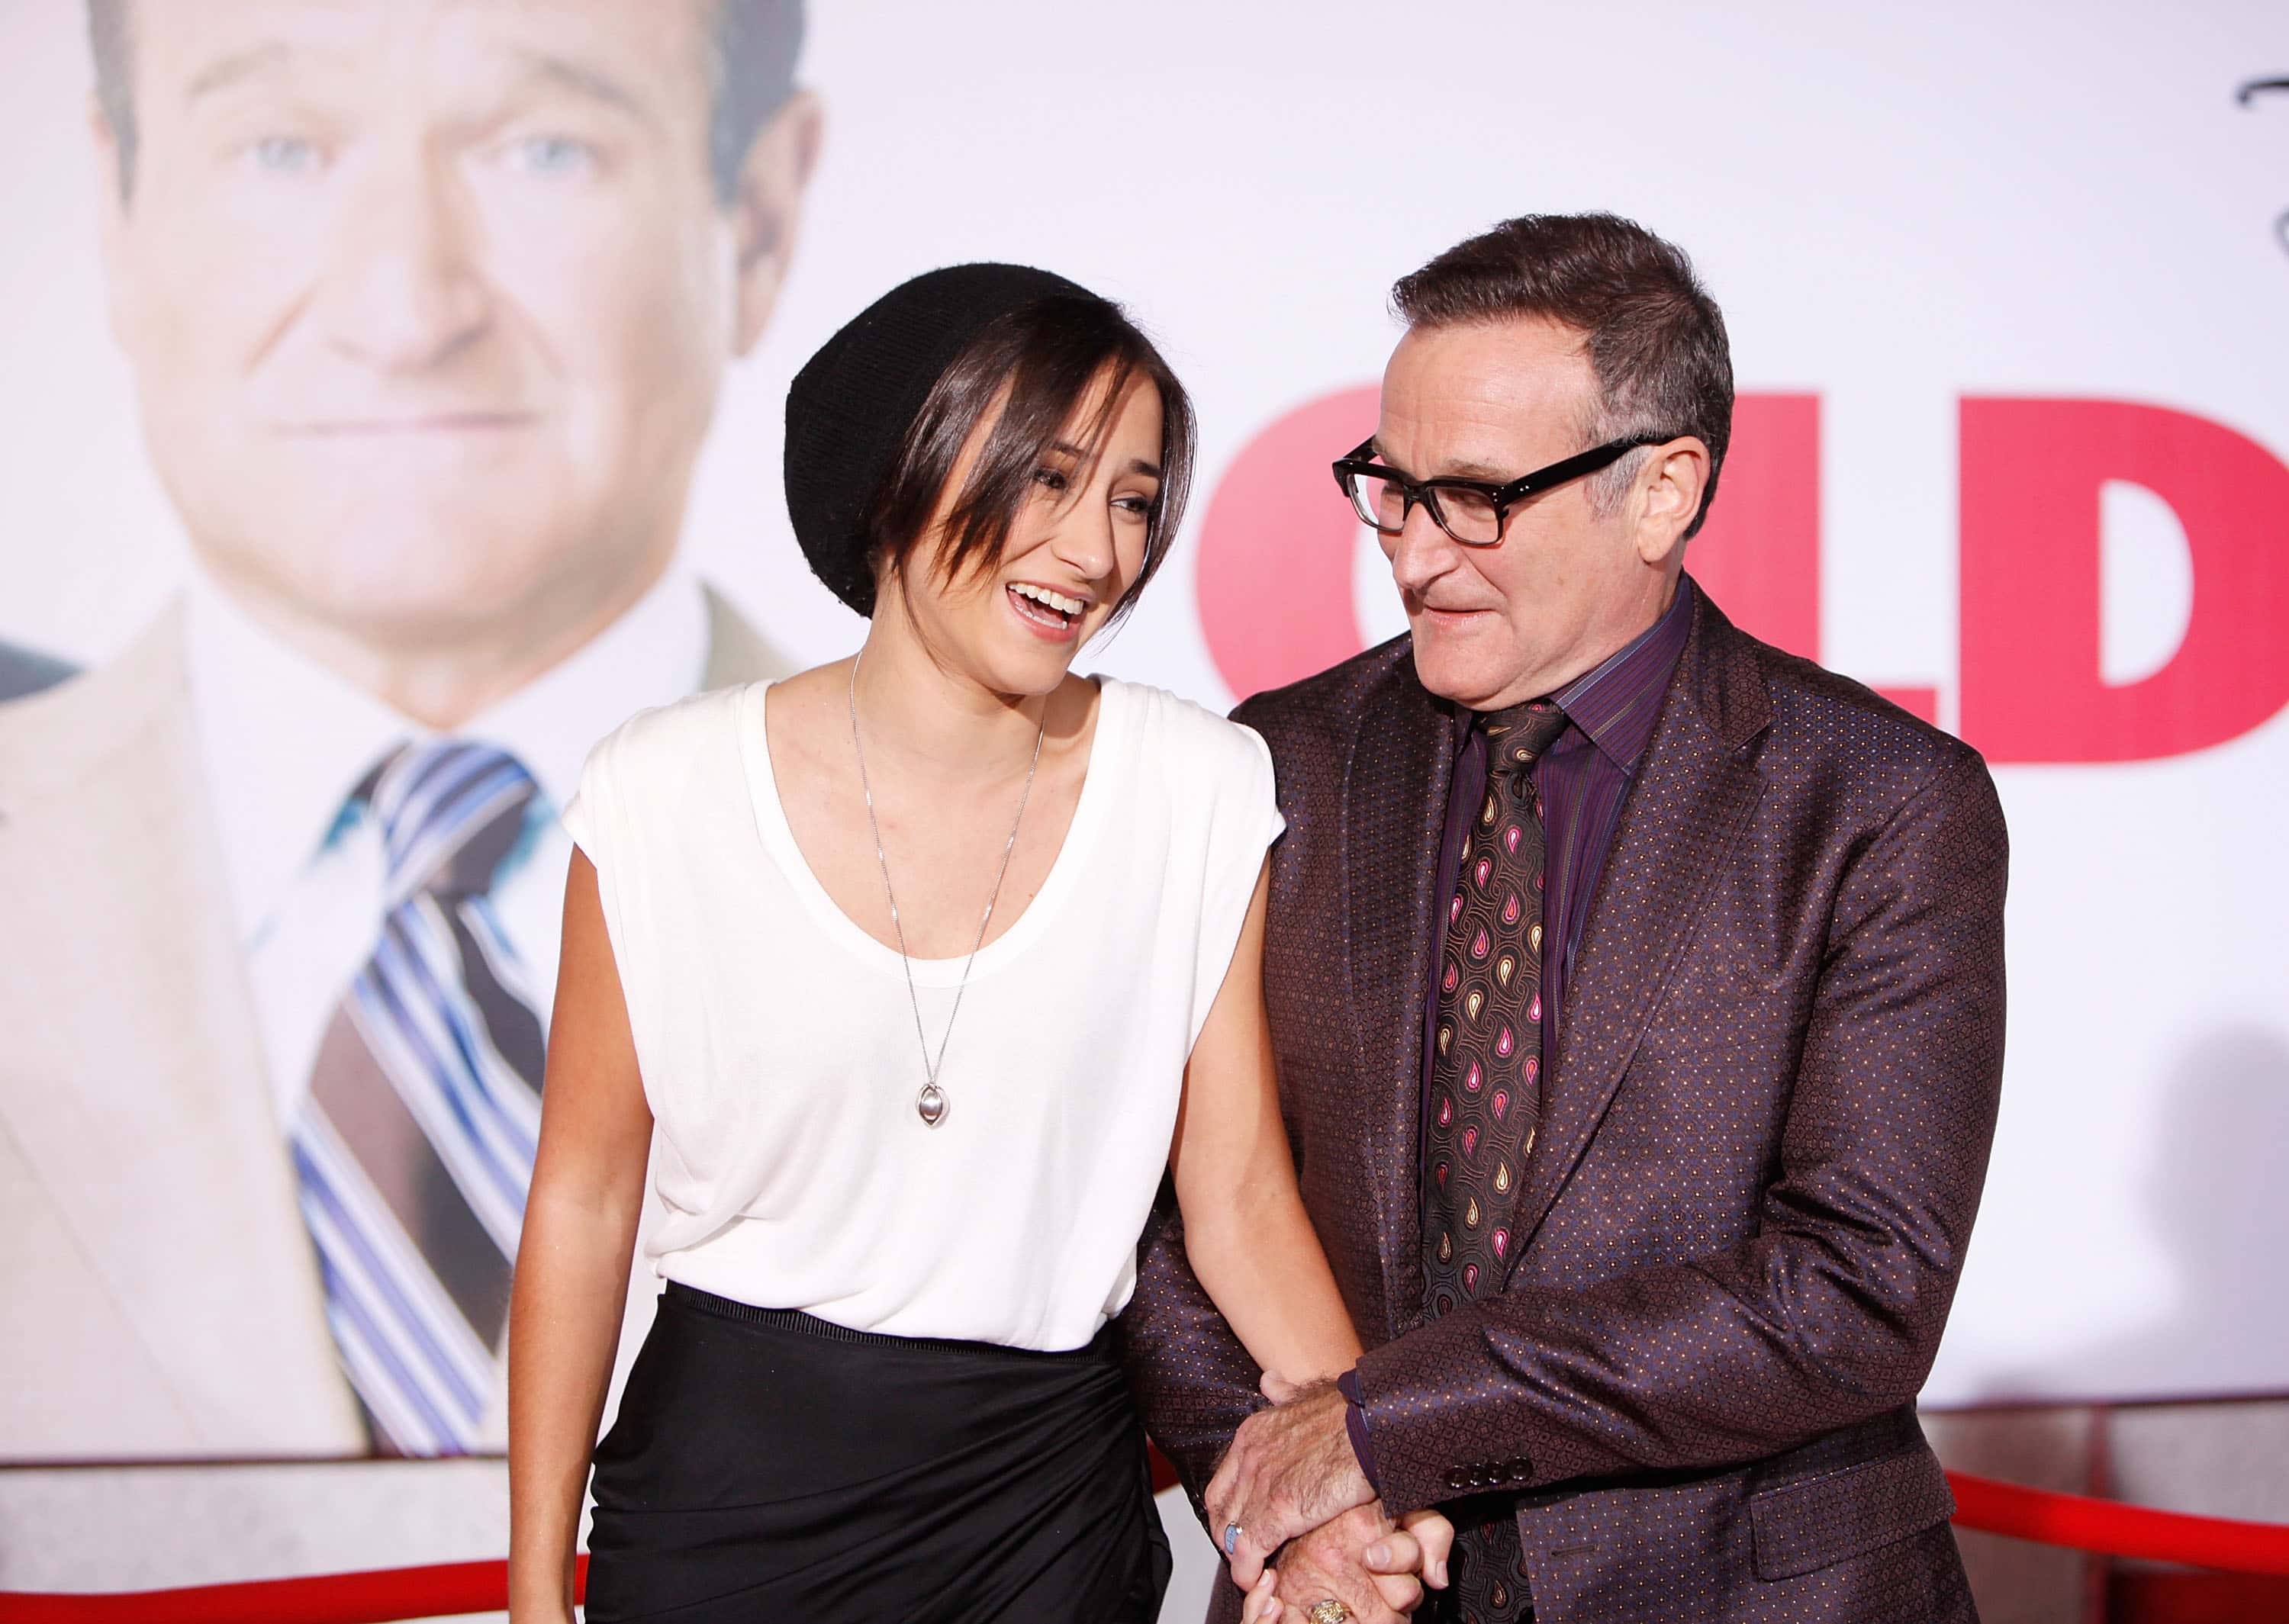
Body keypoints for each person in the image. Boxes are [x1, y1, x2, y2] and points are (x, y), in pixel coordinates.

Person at [505, 264, 1453, 1624]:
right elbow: (583, 1198)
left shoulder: (1194, 788)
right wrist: (537, 1587)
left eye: (1132, 501)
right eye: (1051, 479)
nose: (1094, 549)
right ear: (911, 464)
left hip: (1040, 1517)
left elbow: (1236, 1193)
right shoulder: (662, 794)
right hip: (728, 1502)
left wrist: (1364, 1472)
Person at [1125, 213, 2010, 1624]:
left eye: (1476, 496)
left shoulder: (1883, 800)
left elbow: (1854, 1292)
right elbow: (1173, 1210)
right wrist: (1292, 1511)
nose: (1415, 554)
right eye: (1391, 488)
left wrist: (1378, 1425)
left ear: (1663, 490)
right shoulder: (1283, 759)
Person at [0, 0, 818, 1461]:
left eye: (545, 148)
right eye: (277, 148)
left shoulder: (1037, 870)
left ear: (755, 219)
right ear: (116, 206)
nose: (402, 304)